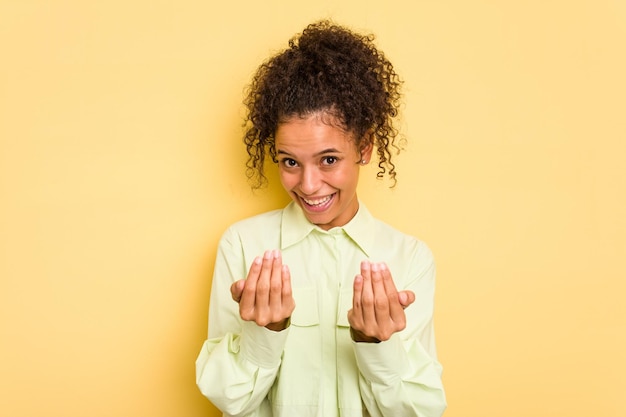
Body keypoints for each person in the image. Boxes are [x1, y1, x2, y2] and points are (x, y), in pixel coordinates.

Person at [196, 20, 446, 417]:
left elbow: (416, 411)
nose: (309, 185)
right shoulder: (243, 246)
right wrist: (266, 333)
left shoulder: (409, 258)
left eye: (329, 160)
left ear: (364, 147)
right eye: (290, 162)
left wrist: (375, 343)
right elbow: (230, 401)